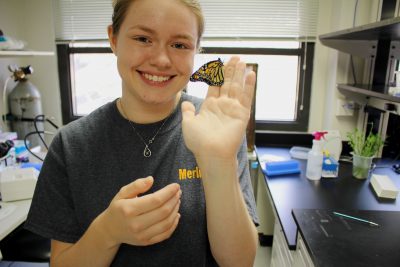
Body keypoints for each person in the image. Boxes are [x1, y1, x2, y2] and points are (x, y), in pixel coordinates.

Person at [24, 0, 259, 266]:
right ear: (113, 39)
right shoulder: (71, 145)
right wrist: (108, 232)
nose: (161, 60)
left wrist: (219, 163)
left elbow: (239, 262)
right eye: (143, 38)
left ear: (196, 50)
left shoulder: (216, 130)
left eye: (180, 45)